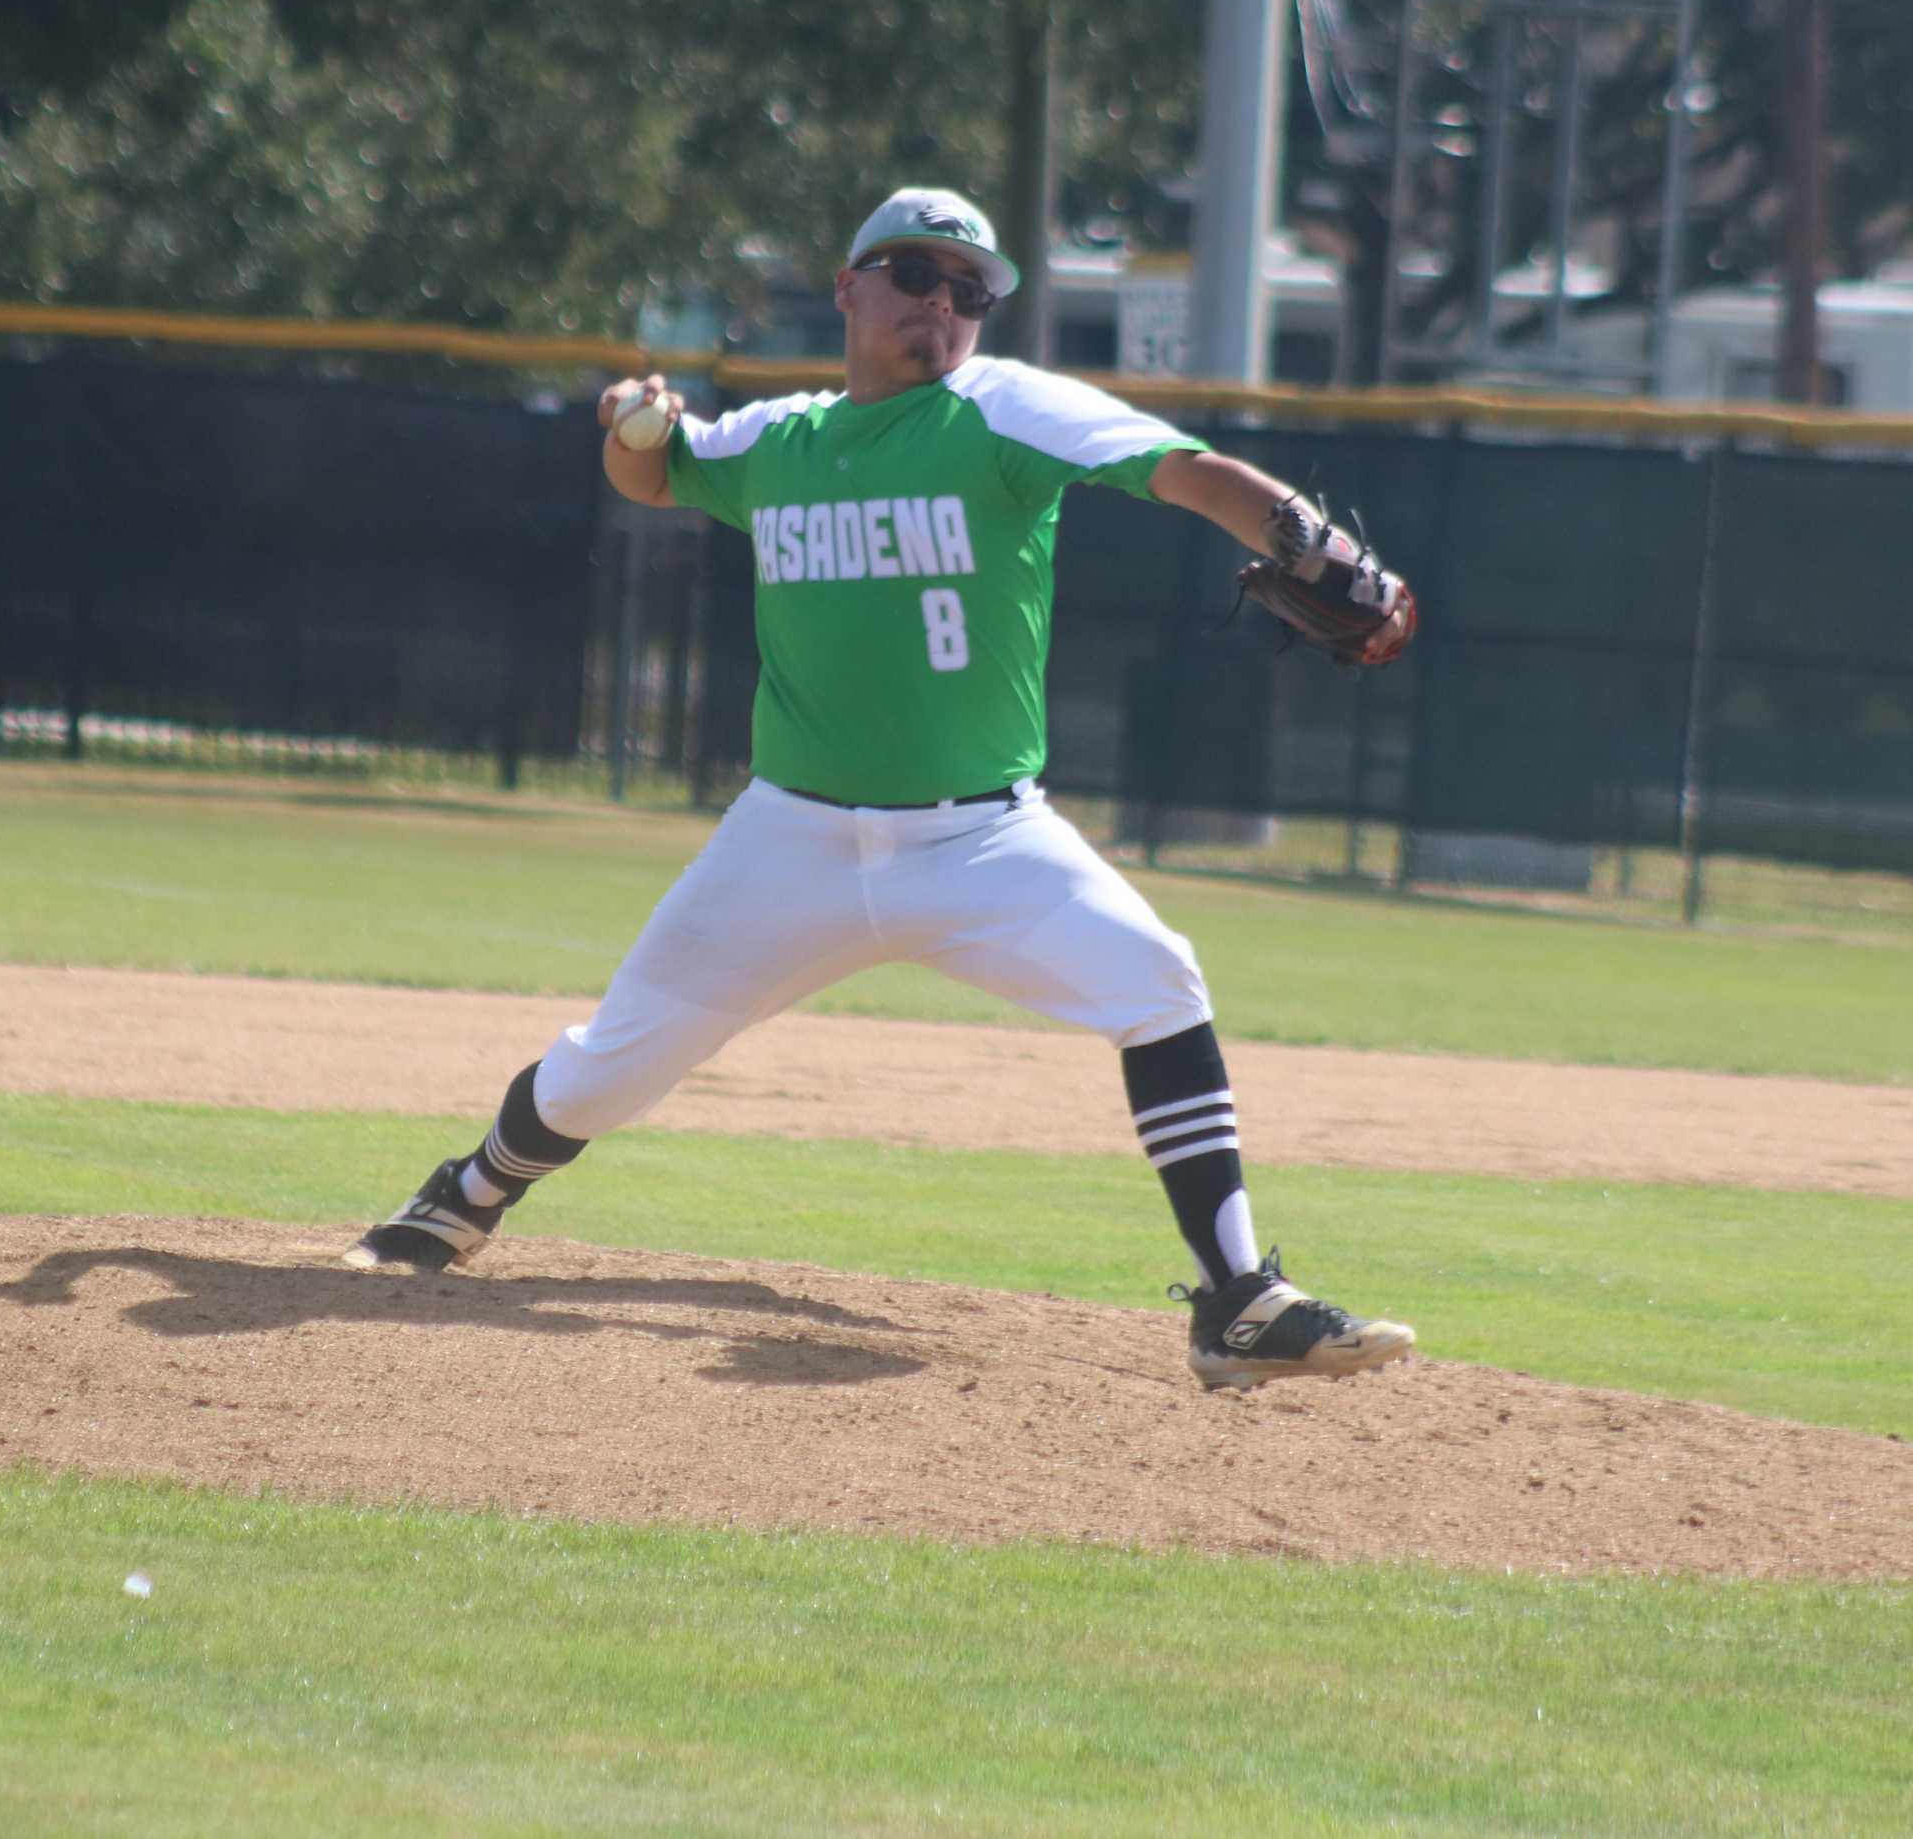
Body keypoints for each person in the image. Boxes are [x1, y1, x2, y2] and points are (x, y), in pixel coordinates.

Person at [347, 187, 1416, 1390]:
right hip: (786, 846)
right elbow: (652, 479)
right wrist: (633, 427)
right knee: (607, 1071)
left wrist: (1306, 539)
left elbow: (1187, 473)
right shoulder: (778, 443)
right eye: (917, 276)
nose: (944, 309)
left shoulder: (1000, 408)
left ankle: (1236, 1299)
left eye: (971, 291)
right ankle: (470, 1191)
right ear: (849, 285)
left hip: (984, 844)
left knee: (1157, 978)